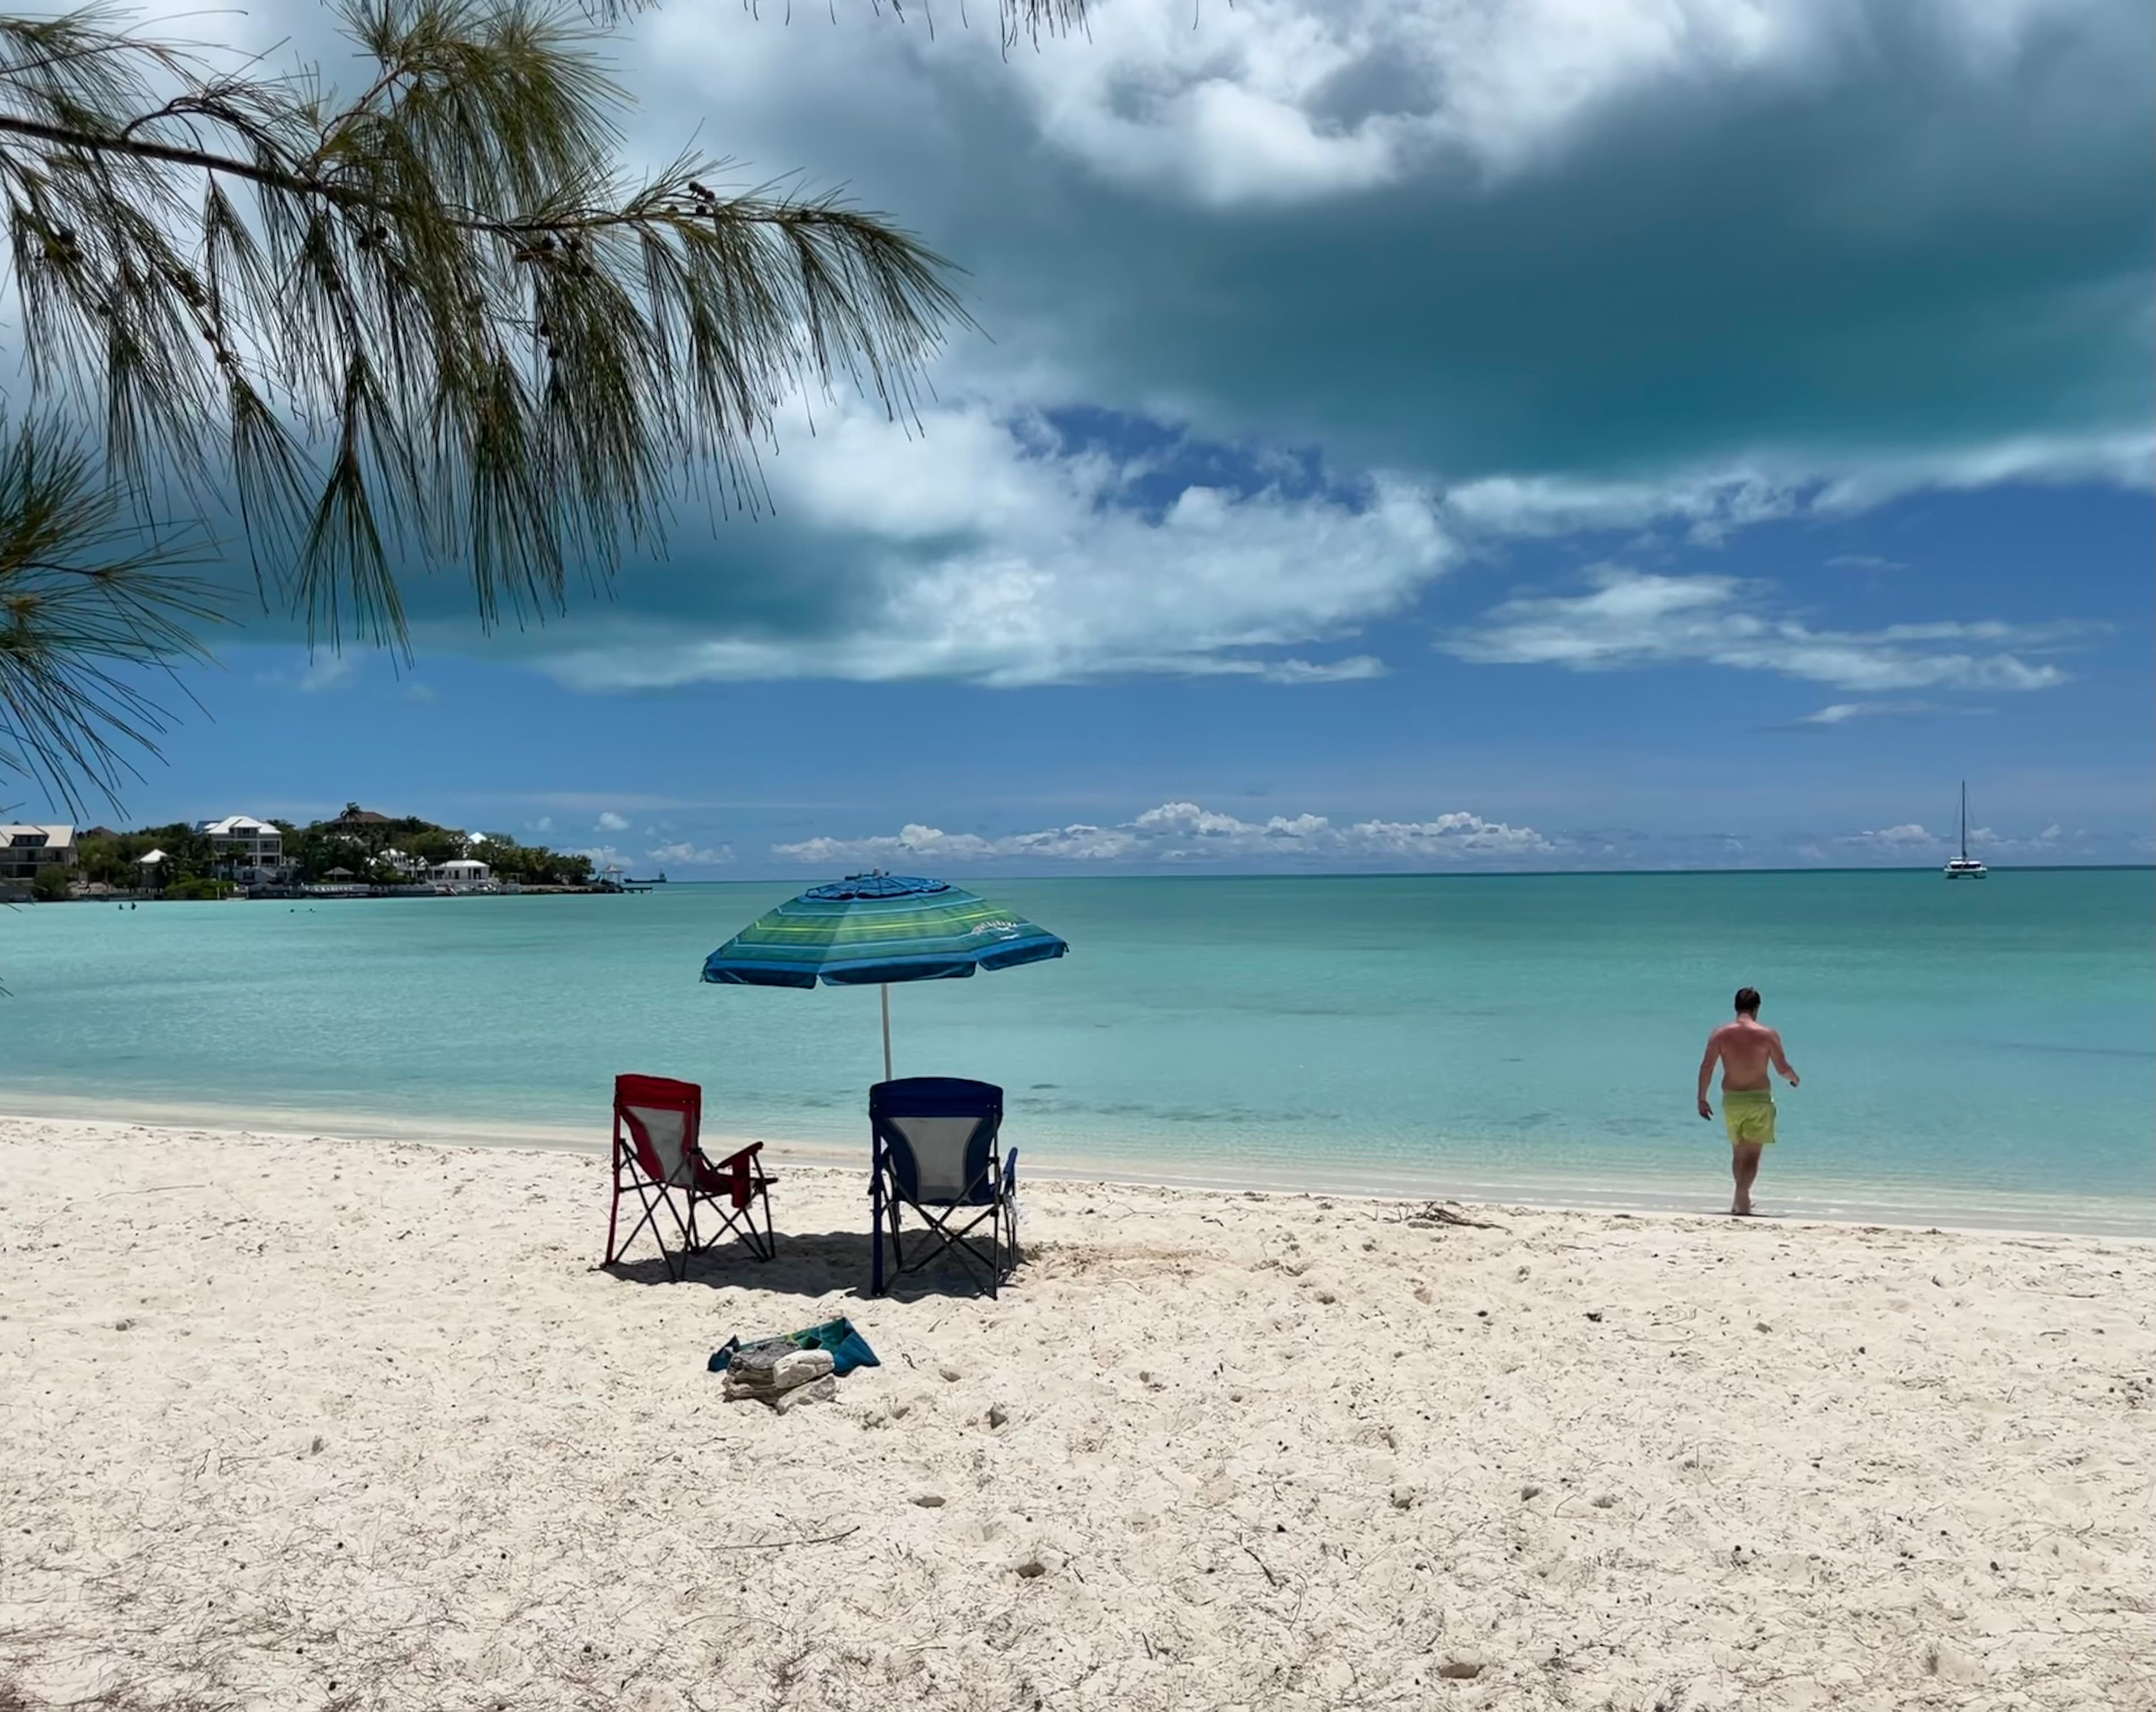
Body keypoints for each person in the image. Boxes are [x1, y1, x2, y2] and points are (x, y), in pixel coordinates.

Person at [1697, 986, 1799, 1217]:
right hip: (1758, 1099)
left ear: (1736, 1007)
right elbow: (1782, 1068)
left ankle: (1740, 1201)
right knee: (1752, 1154)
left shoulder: (1720, 1034)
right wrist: (1795, 1079)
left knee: (1739, 1154)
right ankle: (1742, 1196)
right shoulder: (1767, 1034)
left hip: (1731, 1099)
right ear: (1757, 1008)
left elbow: (1707, 1067)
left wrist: (1702, 1097)